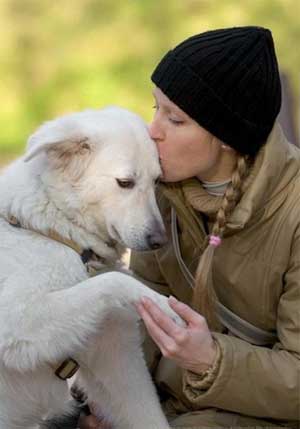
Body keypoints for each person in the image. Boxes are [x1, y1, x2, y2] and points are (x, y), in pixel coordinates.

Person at [80, 26, 300, 428]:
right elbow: (142, 318)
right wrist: (101, 403)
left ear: (229, 139)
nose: (153, 131)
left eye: (175, 119)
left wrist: (210, 360)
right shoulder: (160, 192)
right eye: (155, 109)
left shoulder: (294, 212)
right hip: (169, 405)